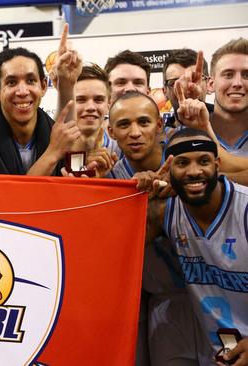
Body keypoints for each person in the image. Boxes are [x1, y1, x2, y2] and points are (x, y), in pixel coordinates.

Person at [107, 91, 213, 365]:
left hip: (214, 298)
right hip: (162, 303)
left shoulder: (191, 165)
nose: (135, 133)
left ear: (158, 125)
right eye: (123, 124)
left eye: (143, 122)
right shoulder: (109, 182)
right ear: (110, 131)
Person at [140, 127, 248, 365]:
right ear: (169, 170)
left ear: (218, 164)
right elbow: (113, 246)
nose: (194, 171)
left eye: (204, 161)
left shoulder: (245, 208)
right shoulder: (165, 211)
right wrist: (139, 198)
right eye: (182, 163)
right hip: (222, 345)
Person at [0, 46, 77, 176]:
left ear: (43, 86)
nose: (23, 91)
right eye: (11, 82)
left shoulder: (57, 134)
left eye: (31, 81)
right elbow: (3, 195)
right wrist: (53, 152)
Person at [209, 38, 248, 157]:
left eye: (246, 75)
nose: (237, 83)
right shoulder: (187, 134)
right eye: (228, 75)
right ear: (211, 84)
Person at [162, 48, 213, 129]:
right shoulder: (157, 136)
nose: (186, 89)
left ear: (208, 84)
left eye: (194, 80)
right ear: (165, 91)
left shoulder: (232, 125)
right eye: (175, 83)